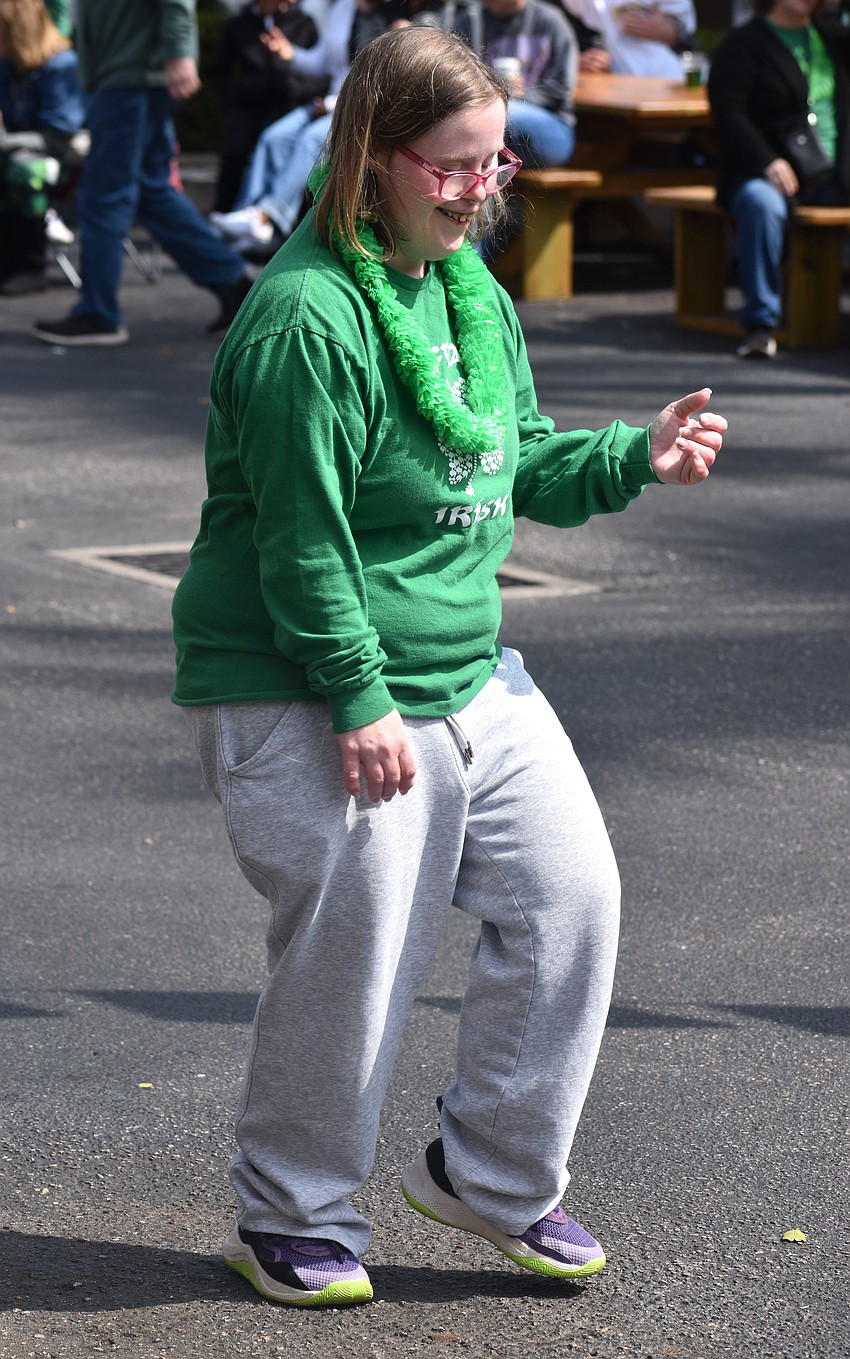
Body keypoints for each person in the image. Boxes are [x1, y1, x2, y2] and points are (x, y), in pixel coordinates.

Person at [171, 24, 725, 1308]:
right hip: (308, 679)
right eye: (456, 168)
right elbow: (301, 545)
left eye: (496, 167)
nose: (482, 191)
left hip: (470, 669)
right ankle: (290, 1212)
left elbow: (514, 459)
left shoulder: (466, 292)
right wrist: (358, 699)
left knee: (573, 898)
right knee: (357, 953)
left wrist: (633, 456)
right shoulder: (306, 319)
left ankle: (491, 1173)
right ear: (373, 157)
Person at [32, 0, 256, 347]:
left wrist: (180, 53)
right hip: (127, 78)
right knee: (152, 195)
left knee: (103, 197)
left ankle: (99, 313)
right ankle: (234, 284)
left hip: (129, 81)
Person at [708, 0, 850, 358]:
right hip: (761, 171)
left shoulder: (834, 38)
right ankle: (760, 324)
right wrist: (767, 160)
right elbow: (728, 115)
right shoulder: (742, 44)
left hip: (834, 172)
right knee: (763, 205)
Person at [0, 0, 85, 294]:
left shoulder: (61, 64)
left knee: (24, 168)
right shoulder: (10, 67)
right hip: (17, 148)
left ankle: (29, 265)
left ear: (19, 30)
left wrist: (6, 141)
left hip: (63, 160)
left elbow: (58, 135)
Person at [209, 0, 325, 214]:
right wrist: (245, 89)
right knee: (235, 150)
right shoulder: (239, 25)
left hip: (289, 105)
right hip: (248, 106)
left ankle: (273, 222)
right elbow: (219, 74)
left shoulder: (304, 23)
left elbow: (321, 74)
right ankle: (226, 216)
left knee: (284, 145)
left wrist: (293, 88)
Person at [559, 0, 695, 77]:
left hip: (665, 84)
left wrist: (672, 34)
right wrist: (574, 60)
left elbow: (688, 42)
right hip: (601, 88)